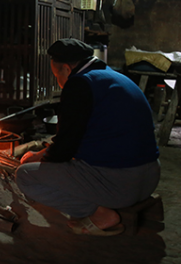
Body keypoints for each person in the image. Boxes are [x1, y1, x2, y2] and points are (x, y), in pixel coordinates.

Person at [15, 38, 160, 236]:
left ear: (66, 69)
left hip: (120, 186)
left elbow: (64, 149)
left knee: (25, 175)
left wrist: (37, 157)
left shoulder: (80, 84)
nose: (58, 80)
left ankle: (99, 214)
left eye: (56, 74)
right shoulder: (114, 77)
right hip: (150, 178)